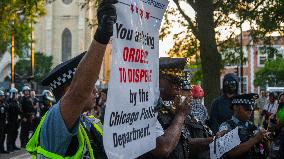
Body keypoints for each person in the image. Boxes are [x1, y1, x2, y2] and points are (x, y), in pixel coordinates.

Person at [26, 1, 117, 158]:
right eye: (89, 85)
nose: (94, 90)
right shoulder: (55, 121)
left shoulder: (88, 122)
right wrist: (102, 34)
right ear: (69, 90)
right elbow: (78, 94)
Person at [219, 93, 270, 159]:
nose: (250, 110)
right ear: (235, 107)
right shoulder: (226, 127)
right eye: (246, 108)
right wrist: (255, 139)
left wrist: (265, 141)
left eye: (251, 107)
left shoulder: (253, 126)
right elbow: (231, 152)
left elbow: (265, 152)